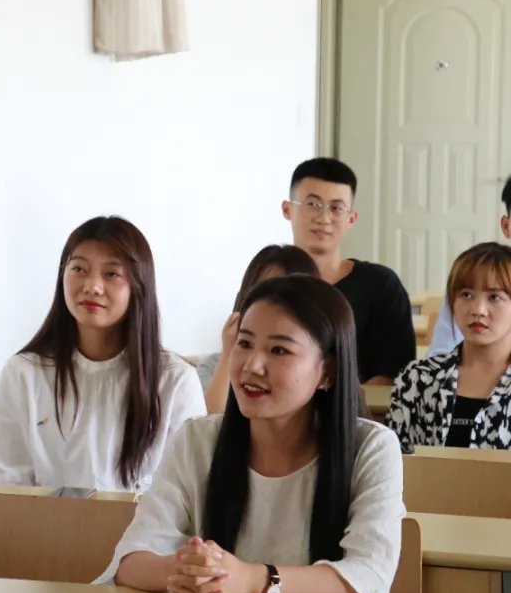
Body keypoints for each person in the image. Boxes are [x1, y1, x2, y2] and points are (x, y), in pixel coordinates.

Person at [94, 275, 405, 593]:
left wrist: (254, 579)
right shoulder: (197, 440)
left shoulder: (371, 448)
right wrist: (187, 570)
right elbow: (130, 561)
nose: (252, 365)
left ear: (327, 371)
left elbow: (369, 574)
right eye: (244, 343)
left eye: (279, 350)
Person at [0, 217, 205, 493]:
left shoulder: (175, 380)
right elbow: (2, 486)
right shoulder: (24, 373)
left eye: (111, 274)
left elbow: (187, 493)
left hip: (144, 523)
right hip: (41, 523)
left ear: (139, 285)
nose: (92, 286)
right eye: (79, 269)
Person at [283, 158, 415, 385]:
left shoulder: (381, 286)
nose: (324, 218)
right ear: (287, 210)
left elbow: (393, 373)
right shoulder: (267, 279)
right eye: (312, 204)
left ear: (351, 219)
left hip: (358, 407)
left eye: (336, 208)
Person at [388, 243, 511, 451]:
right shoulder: (417, 379)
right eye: (466, 294)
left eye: (494, 297)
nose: (478, 310)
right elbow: (395, 461)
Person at [200, 245, 318, 413]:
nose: (254, 367)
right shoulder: (213, 365)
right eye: (260, 292)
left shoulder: (317, 368)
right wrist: (228, 355)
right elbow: (209, 422)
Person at [427, 177, 511, 357]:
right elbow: (440, 356)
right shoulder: (474, 285)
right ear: (506, 226)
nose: (479, 309)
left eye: (494, 297)